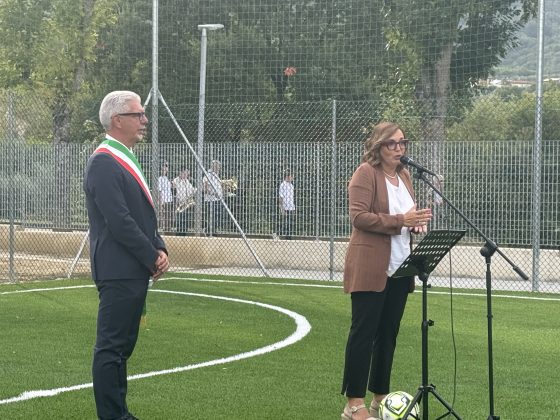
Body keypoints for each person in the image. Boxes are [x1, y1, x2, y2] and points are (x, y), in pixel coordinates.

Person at [84, 90, 169, 420]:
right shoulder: (103, 162)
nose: (145, 120)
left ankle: (119, 412)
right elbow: (119, 220)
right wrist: (151, 256)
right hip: (118, 269)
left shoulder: (123, 158)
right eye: (138, 114)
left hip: (131, 268)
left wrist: (159, 247)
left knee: (121, 348)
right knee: (111, 348)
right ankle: (112, 415)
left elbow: (142, 214)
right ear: (117, 120)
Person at [340, 122, 432, 420]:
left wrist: (415, 224)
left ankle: (380, 397)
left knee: (388, 334)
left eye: (403, 142)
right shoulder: (365, 173)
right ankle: (354, 403)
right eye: (392, 143)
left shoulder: (405, 175)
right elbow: (359, 217)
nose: (399, 148)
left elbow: (406, 218)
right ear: (378, 146)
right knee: (363, 334)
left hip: (401, 268)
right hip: (371, 266)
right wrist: (401, 221)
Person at [173, 168, 196, 235]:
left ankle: (184, 233)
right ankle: (179, 234)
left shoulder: (187, 181)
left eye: (187, 174)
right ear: (181, 172)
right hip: (180, 202)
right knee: (180, 219)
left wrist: (195, 190)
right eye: (185, 173)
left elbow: (191, 190)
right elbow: (174, 188)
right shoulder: (176, 180)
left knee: (186, 219)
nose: (186, 175)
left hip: (187, 202)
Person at [203, 160, 223, 236]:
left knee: (217, 217)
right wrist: (214, 194)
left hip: (218, 199)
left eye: (219, 167)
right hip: (210, 200)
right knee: (212, 217)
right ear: (213, 167)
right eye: (217, 167)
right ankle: (208, 231)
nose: (218, 168)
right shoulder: (208, 175)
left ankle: (213, 231)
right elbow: (204, 189)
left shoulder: (216, 176)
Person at [278, 169, 295, 239]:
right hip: (285, 207)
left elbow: (292, 197)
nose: (293, 177)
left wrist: (293, 207)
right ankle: (282, 235)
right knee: (285, 222)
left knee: (290, 223)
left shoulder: (291, 185)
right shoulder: (282, 185)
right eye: (291, 176)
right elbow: (281, 196)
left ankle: (289, 236)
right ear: (287, 176)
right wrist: (281, 208)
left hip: (291, 207)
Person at [157, 162, 174, 232]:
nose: (166, 168)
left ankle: (168, 229)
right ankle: (165, 229)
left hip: (169, 199)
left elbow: (170, 188)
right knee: (164, 215)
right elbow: (159, 191)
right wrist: (160, 201)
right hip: (164, 199)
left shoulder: (167, 178)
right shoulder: (160, 179)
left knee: (169, 215)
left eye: (167, 166)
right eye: (164, 166)